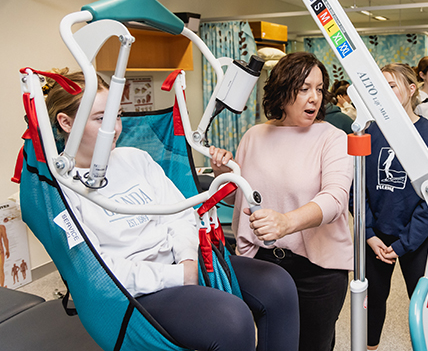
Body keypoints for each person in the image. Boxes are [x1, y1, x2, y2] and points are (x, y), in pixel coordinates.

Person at [45, 69, 299, 351]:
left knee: (278, 285)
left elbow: (180, 214)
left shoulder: (134, 158)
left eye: (116, 116)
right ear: (66, 122)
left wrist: (187, 261)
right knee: (231, 319)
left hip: (185, 263)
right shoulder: (61, 192)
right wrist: (177, 277)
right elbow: (99, 272)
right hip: (140, 293)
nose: (114, 128)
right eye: (100, 119)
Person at [210, 52, 354, 351]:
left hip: (317, 271)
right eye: (304, 89)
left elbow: (335, 198)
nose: (314, 98)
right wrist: (224, 173)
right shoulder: (254, 136)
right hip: (263, 266)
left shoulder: (332, 137)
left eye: (318, 88)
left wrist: (287, 222)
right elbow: (243, 197)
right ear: (282, 91)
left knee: (313, 345)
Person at [363, 63, 428, 351]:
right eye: (380, 86)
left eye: (390, 85)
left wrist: (405, 243)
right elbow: (358, 187)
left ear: (411, 89)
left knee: (423, 305)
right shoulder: (370, 131)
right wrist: (368, 233)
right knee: (372, 302)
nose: (384, 92)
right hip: (376, 236)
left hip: (417, 235)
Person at [0, 222, 8, 287]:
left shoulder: (1, 227)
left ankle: (2, 287)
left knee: (1, 270)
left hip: (0, 252)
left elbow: (5, 239)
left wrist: (7, 250)